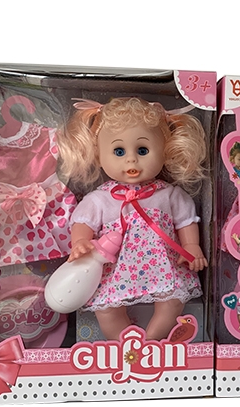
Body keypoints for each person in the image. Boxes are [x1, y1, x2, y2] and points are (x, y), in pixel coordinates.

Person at [57, 97, 208, 340]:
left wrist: (191, 246)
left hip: (162, 265)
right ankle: (125, 347)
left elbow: (185, 221)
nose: (131, 160)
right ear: (98, 155)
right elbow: (83, 222)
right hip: (116, 269)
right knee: (106, 309)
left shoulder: (168, 194)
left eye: (142, 150)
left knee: (172, 302)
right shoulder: (101, 198)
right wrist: (80, 243)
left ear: (166, 151)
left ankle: (151, 342)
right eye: (119, 151)